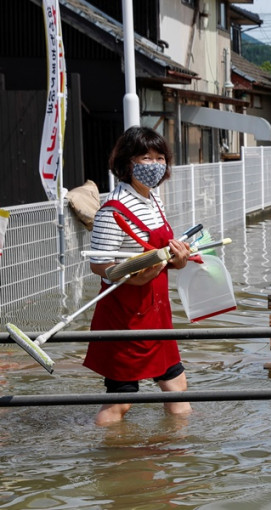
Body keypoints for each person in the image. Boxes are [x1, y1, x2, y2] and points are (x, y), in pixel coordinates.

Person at [84, 126, 192, 425]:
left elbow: (162, 254)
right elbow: (99, 265)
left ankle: (179, 455)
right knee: (121, 401)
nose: (155, 165)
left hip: (157, 310)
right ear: (127, 163)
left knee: (177, 389)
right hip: (125, 313)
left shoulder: (154, 201)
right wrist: (135, 277)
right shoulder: (111, 210)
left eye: (160, 158)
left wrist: (179, 259)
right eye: (146, 157)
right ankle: (109, 461)